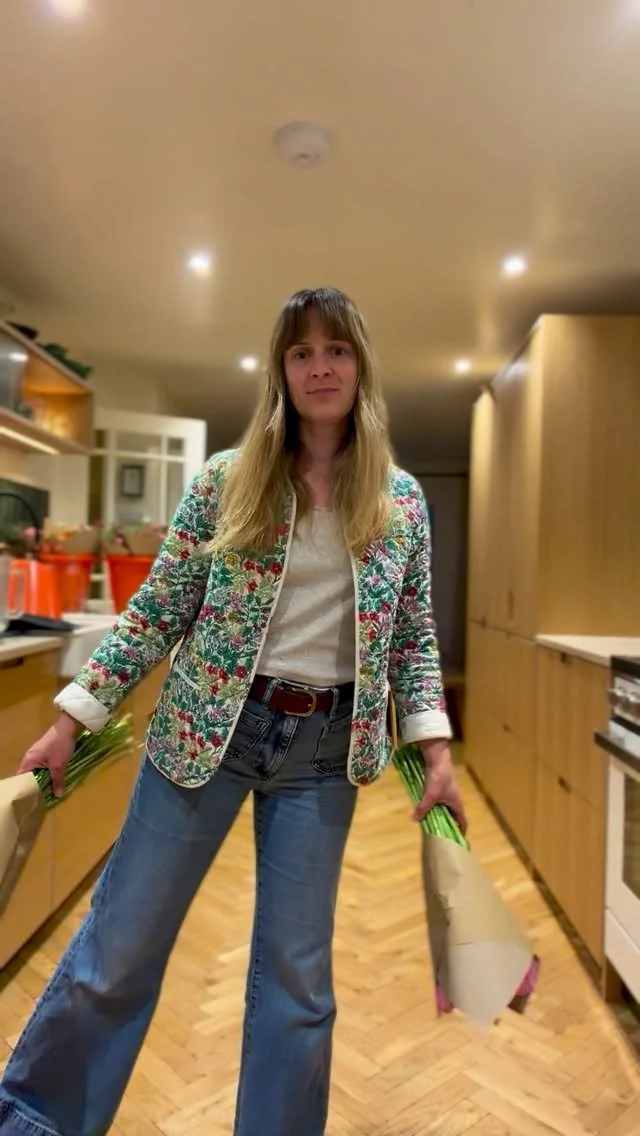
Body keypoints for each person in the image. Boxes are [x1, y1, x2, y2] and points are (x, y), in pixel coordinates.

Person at [0, 287, 465, 1136]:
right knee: (119, 950)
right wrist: (71, 720)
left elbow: (413, 640)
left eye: (336, 350)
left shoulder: (400, 501)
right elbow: (156, 611)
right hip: (204, 731)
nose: (319, 367)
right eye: (301, 352)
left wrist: (434, 749)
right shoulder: (228, 479)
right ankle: (34, 1122)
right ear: (280, 371)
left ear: (360, 365)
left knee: (298, 986)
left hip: (325, 754)